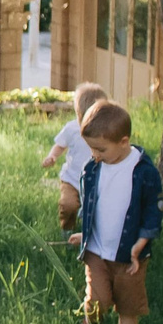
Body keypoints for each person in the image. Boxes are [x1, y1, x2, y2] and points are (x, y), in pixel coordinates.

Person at [65, 98, 161, 324]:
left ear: (124, 142)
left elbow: (152, 210)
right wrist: (84, 234)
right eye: (91, 149)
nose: (95, 155)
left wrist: (142, 242)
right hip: (97, 252)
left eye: (101, 150)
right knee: (97, 301)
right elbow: (92, 207)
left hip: (130, 256)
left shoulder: (142, 172)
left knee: (128, 308)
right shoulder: (93, 169)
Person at [46, 81, 109, 232]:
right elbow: (60, 145)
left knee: (98, 209)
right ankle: (67, 229)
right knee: (68, 205)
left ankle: (91, 232)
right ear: (78, 114)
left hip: (96, 180)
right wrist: (52, 156)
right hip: (72, 179)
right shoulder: (72, 128)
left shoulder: (106, 130)